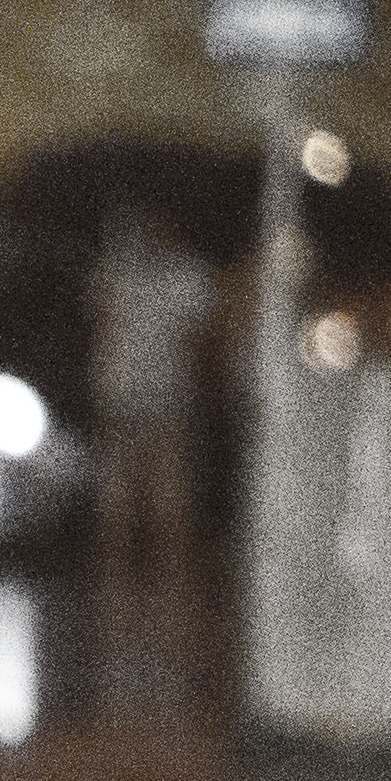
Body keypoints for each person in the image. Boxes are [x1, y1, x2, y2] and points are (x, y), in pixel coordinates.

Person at [86, 207, 218, 579]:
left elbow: (199, 342)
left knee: (165, 485)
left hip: (163, 391)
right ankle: (120, 565)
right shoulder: (119, 273)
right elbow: (104, 330)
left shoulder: (185, 278)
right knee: (126, 483)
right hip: (127, 390)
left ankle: (166, 567)